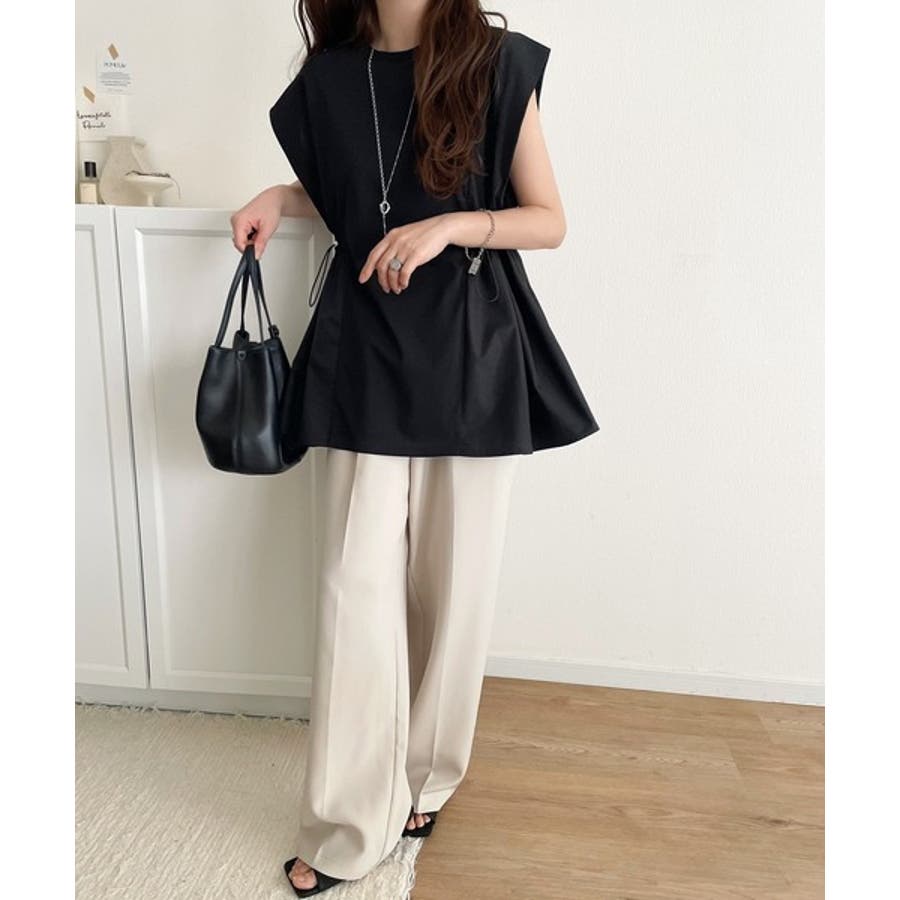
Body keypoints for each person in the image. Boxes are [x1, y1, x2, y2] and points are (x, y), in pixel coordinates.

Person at [230, 1, 599, 895]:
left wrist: (450, 226)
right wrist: (282, 196)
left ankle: (428, 776)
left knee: (452, 586)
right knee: (351, 593)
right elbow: (353, 191)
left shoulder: (495, 63)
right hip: (363, 349)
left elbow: (547, 218)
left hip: (472, 350)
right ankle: (349, 822)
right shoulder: (329, 78)